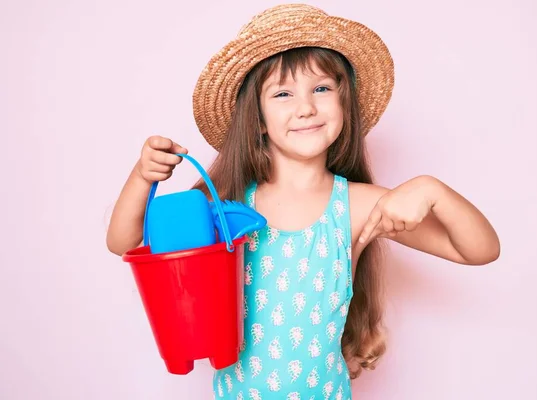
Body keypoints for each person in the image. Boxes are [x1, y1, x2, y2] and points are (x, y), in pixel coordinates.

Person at [106, 4, 500, 399]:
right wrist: (142, 177)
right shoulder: (224, 206)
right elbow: (124, 243)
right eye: (282, 93)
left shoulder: (359, 206)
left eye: (322, 88)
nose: (306, 107)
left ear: (344, 104)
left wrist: (432, 190)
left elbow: (479, 250)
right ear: (257, 118)